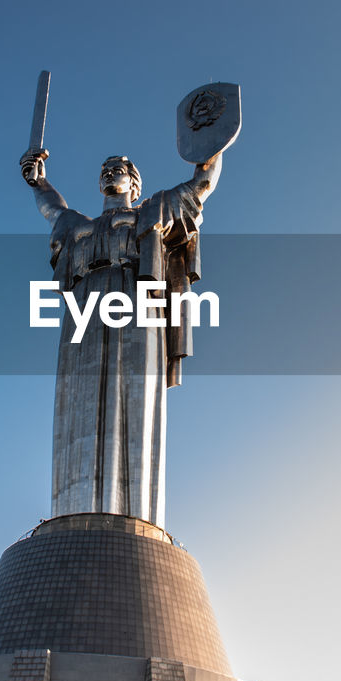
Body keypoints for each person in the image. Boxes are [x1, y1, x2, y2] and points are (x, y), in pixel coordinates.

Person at [20, 148, 222, 528]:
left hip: (135, 298)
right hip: (85, 307)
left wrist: (210, 146)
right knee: (77, 402)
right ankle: (74, 516)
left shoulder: (152, 212)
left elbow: (200, 186)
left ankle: (133, 517)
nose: (111, 173)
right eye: (106, 170)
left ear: (134, 182)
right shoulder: (78, 225)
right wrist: (39, 181)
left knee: (132, 397)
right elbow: (51, 208)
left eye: (120, 169)